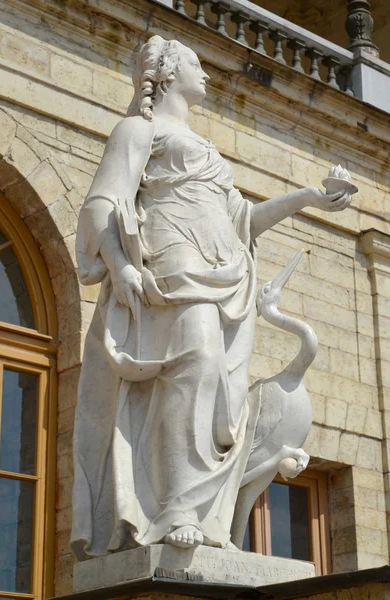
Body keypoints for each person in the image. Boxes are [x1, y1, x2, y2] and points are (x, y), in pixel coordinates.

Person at [71, 35, 351, 560]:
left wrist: (309, 199)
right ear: (169, 75)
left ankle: (194, 509)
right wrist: (122, 263)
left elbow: (243, 220)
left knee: (221, 388)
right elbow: (102, 202)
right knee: (196, 363)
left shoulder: (205, 150)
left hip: (225, 273)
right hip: (171, 263)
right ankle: (177, 505)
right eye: (196, 64)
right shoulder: (139, 129)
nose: (207, 72)